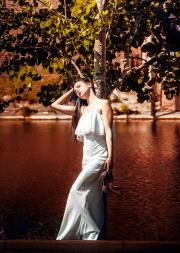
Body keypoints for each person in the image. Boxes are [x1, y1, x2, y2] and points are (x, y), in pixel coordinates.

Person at [50, 78, 115, 240]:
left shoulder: (103, 104)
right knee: (92, 198)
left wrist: (111, 157)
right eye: (75, 89)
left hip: (100, 157)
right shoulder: (82, 110)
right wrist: (73, 90)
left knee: (75, 190)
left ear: (90, 84)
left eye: (79, 86)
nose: (77, 90)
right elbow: (54, 105)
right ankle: (90, 236)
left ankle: (90, 231)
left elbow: (108, 132)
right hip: (86, 159)